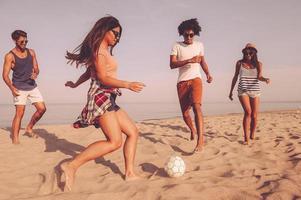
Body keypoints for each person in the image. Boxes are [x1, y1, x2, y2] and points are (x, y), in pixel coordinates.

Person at [61, 16, 145, 191]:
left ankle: (129, 173)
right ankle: (72, 165)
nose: (117, 37)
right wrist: (127, 84)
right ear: (105, 30)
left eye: (119, 35)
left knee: (133, 132)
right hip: (101, 96)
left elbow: (89, 72)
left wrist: (76, 84)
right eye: (115, 33)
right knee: (114, 141)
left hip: (109, 97)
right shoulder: (99, 49)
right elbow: (102, 77)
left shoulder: (103, 50)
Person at [170, 18, 213, 152]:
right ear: (182, 34)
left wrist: (208, 74)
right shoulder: (176, 45)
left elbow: (202, 61)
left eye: (191, 35)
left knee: (197, 107)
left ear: (195, 34)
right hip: (182, 82)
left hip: (196, 79)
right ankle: (192, 130)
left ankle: (200, 141)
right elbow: (172, 64)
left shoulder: (199, 45)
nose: (189, 37)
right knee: (185, 114)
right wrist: (188, 60)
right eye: (186, 34)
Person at [2, 30, 46, 144]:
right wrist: (12, 88)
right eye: (22, 41)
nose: (24, 43)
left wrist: (35, 74)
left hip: (32, 86)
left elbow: (37, 68)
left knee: (42, 109)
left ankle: (29, 128)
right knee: (19, 113)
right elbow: (5, 75)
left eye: (26, 40)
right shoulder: (9, 56)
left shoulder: (31, 52)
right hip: (19, 88)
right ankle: (15, 139)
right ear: (15, 41)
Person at [229, 43, 270, 144]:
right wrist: (230, 91)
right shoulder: (239, 63)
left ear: (254, 53)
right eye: (246, 51)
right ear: (244, 52)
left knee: (255, 115)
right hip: (243, 90)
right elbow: (235, 77)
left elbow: (259, 77)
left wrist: (265, 79)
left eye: (251, 51)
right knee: (248, 112)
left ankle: (252, 133)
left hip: (255, 90)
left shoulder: (259, 64)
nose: (248, 53)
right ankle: (246, 138)